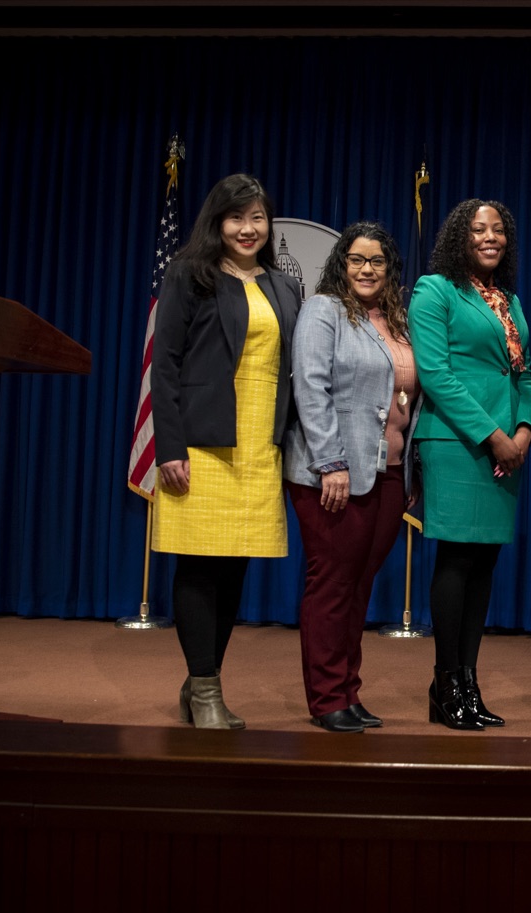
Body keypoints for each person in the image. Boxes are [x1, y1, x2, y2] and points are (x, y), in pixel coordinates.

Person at [151, 173, 300, 729]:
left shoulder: (285, 286)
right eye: (237, 218)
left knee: (234, 570)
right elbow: (163, 364)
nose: (248, 228)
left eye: (258, 217)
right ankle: (209, 692)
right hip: (201, 441)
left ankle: (198, 680)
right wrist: (170, 446)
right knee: (199, 566)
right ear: (218, 221)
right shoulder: (191, 274)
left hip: (261, 445)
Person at [409, 199, 531, 731]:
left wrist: (525, 430)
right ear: (459, 235)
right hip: (458, 442)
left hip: (509, 444)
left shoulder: (507, 299)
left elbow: (524, 375)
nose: (491, 237)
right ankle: (446, 685)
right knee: (457, 561)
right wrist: (493, 436)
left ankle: (469, 680)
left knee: (483, 566)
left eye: (499, 229)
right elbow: (435, 374)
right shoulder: (433, 289)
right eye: (479, 229)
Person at [283, 222, 416, 733]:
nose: (366, 269)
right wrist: (331, 463)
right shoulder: (324, 311)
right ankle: (326, 698)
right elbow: (311, 389)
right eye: (357, 259)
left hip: (388, 473)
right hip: (331, 474)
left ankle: (348, 691)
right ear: (342, 263)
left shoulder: (397, 321)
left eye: (377, 261)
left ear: (390, 268)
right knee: (333, 584)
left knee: (359, 587)